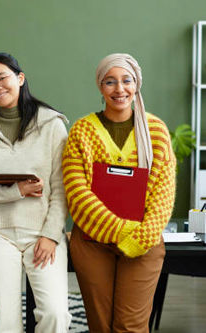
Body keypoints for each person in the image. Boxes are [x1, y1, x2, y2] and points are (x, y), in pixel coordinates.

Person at [0, 53, 71, 333]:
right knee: (3, 319)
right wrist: (16, 191)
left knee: (55, 314)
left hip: (42, 233)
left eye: (2, 78)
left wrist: (50, 235)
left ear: (20, 78)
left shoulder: (52, 124)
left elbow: (61, 188)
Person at [62, 53, 176, 332]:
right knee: (100, 325)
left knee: (131, 326)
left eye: (127, 81)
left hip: (144, 242)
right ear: (100, 87)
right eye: (110, 82)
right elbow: (77, 194)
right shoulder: (82, 131)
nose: (119, 89)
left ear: (136, 84)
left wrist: (142, 236)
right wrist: (123, 230)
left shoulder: (156, 131)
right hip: (92, 241)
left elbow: (164, 193)